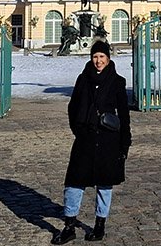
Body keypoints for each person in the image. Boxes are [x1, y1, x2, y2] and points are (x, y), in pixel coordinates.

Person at [52, 41, 131, 244]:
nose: (98, 61)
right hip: (85, 139)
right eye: (95, 57)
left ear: (108, 58)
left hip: (108, 140)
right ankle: (69, 226)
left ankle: (99, 226)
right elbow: (73, 107)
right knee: (74, 183)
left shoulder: (117, 81)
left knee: (104, 185)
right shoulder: (82, 79)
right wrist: (78, 130)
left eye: (102, 57)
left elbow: (124, 115)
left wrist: (124, 145)